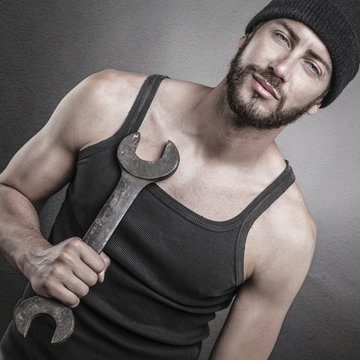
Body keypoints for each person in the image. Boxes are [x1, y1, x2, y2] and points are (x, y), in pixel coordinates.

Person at [0, 0, 359, 359]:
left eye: (312, 66)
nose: (280, 68)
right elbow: (9, 190)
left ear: (319, 100)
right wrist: (33, 253)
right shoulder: (109, 100)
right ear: (248, 35)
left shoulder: (287, 235)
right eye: (282, 37)